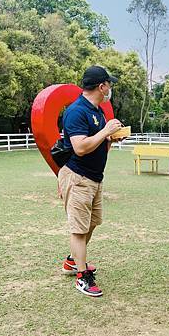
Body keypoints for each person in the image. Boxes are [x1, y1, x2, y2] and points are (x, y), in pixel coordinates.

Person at [57, 66, 123, 297]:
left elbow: (96, 144)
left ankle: (73, 261)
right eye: (109, 84)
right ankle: (82, 278)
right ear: (101, 86)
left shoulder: (97, 111)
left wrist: (111, 138)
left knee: (92, 223)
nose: (110, 88)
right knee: (78, 229)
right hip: (78, 178)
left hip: (94, 178)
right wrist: (105, 131)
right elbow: (80, 147)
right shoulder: (77, 111)